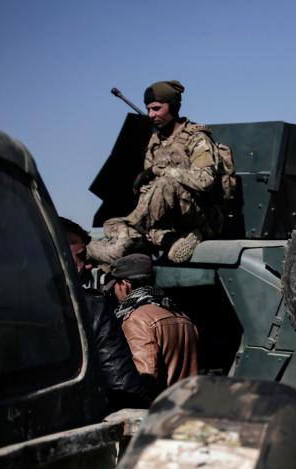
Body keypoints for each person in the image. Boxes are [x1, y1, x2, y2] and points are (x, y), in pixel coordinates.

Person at [87, 80, 224, 266]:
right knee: (112, 223)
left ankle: (131, 234)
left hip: (201, 214)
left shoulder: (197, 138)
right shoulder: (156, 143)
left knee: (165, 183)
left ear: (173, 106)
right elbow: (149, 192)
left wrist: (159, 170)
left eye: (157, 108)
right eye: (148, 109)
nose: (151, 115)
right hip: (171, 218)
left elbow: (205, 180)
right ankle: (176, 238)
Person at [59, 217, 150, 410]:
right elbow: (126, 391)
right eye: (81, 256)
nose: (89, 265)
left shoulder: (3, 303)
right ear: (60, 254)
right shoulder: (92, 307)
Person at [105, 254, 199, 397]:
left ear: (125, 285)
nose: (113, 291)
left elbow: (144, 378)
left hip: (158, 411)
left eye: (115, 286)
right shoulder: (181, 315)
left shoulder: (137, 319)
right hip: (185, 404)